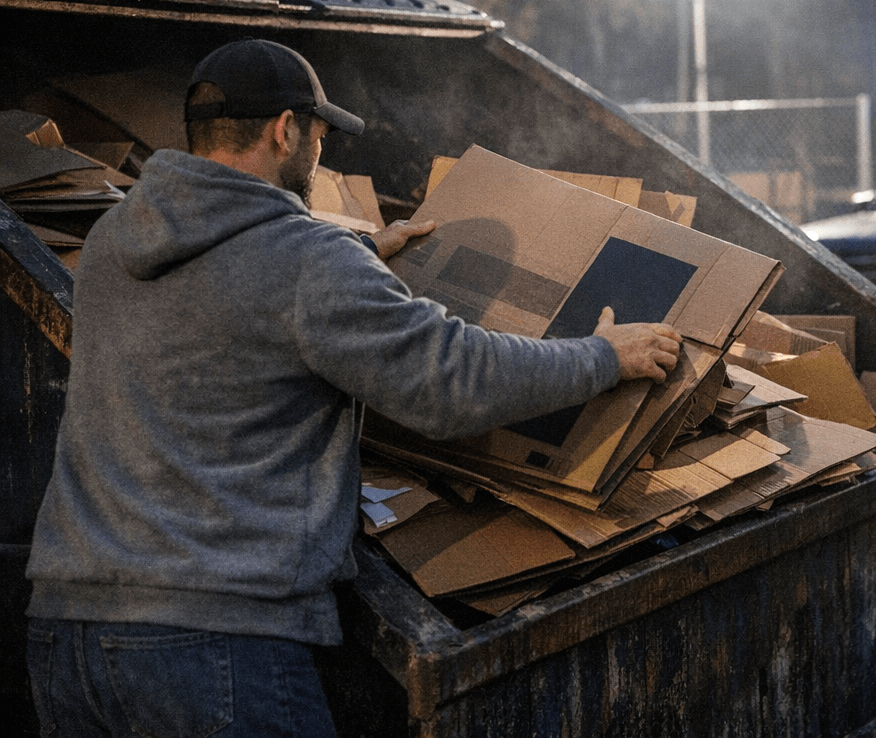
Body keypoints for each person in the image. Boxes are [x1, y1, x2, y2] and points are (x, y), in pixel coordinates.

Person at [25, 38, 684, 738]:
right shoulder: (309, 261)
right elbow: (452, 381)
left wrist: (363, 256)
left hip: (67, 639)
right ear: (286, 130)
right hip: (216, 647)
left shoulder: (111, 239)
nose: (320, 152)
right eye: (319, 134)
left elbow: (229, 304)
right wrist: (602, 357)